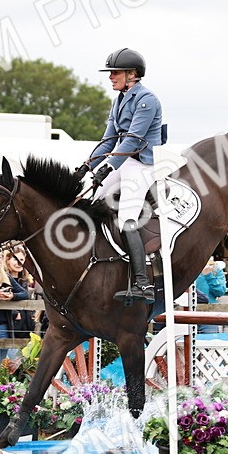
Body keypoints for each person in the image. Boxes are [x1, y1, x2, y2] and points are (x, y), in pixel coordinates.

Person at [76, 47, 163, 304]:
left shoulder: (147, 100)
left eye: (115, 72)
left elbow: (133, 140)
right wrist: (87, 167)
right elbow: (109, 140)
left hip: (143, 162)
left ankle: (143, 283)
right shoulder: (119, 100)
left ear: (132, 74)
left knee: (126, 217)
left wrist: (108, 167)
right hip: (126, 160)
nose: (110, 77)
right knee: (93, 200)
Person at [0, 249, 29, 375]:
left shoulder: (6, 277)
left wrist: (12, 296)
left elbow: (25, 294)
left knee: (1, 369)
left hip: (4, 328)